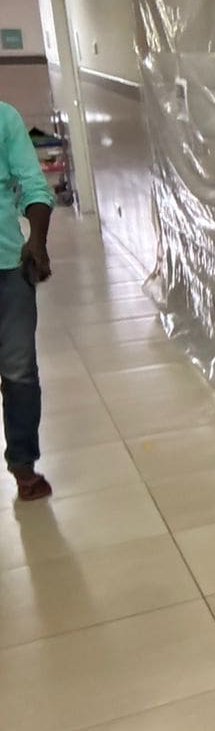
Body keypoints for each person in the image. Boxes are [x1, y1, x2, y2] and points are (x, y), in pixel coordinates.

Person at [0, 100, 54, 501]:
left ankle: (22, 463)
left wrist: (37, 240)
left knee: (19, 372)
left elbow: (33, 185)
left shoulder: (4, 118)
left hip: (6, 268)